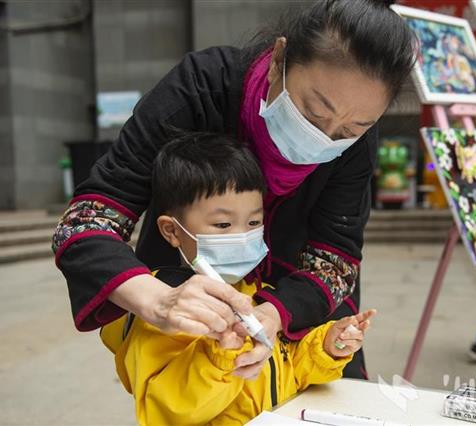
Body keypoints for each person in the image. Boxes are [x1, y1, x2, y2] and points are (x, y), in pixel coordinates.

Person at [52, 0, 417, 379]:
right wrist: (158, 299)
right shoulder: (201, 87)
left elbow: (336, 255)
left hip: (304, 311)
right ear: (279, 59)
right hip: (189, 300)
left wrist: (271, 315)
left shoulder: (358, 143)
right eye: (311, 112)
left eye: (349, 130)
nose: (322, 139)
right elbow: (87, 219)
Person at [100, 133, 376, 425]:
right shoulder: (166, 310)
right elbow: (169, 408)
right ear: (172, 230)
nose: (241, 236)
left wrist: (325, 347)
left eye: (254, 222)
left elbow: (287, 369)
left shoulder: (257, 295)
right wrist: (220, 356)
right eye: (222, 224)